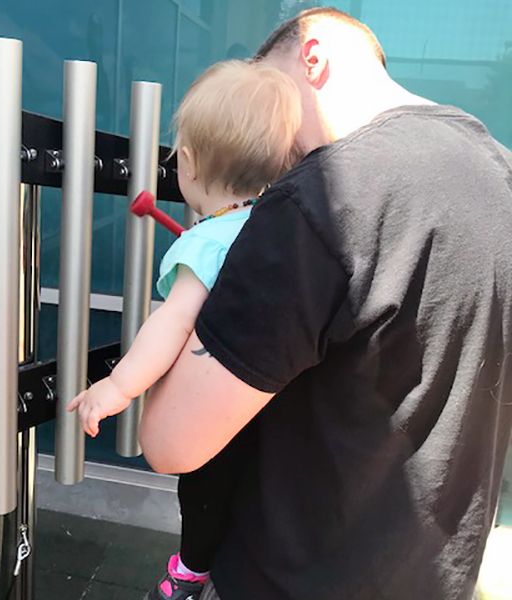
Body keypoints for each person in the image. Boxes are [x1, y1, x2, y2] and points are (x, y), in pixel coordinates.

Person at [138, 7, 512, 600]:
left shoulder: (320, 200)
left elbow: (168, 441)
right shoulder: (501, 174)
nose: (262, 135)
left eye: (265, 98)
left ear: (312, 59)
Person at [67, 60, 302, 600]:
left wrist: (119, 386)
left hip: (215, 406)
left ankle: (192, 570)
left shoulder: (205, 243)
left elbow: (171, 323)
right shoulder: (276, 225)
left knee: (202, 488)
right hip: (271, 400)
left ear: (189, 165)